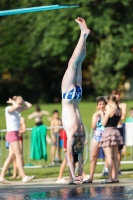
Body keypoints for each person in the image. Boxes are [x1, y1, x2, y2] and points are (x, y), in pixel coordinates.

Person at [61, 17, 90, 184]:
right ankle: (83, 34)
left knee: (79, 63)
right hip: (67, 97)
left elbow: (79, 156)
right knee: (72, 62)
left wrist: (78, 177)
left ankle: (83, 34)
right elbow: (70, 155)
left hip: (77, 96)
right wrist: (73, 177)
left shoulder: (82, 133)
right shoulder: (72, 133)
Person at [0, 96, 35, 184]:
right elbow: (15, 106)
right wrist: (13, 101)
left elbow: (29, 105)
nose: (20, 104)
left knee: (11, 157)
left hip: (15, 134)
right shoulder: (8, 108)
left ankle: (1, 176)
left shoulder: (17, 110)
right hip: (12, 134)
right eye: (19, 102)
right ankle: (23, 177)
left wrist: (22, 101)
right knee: (19, 156)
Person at [99, 94, 123, 183]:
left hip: (108, 132)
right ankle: (115, 177)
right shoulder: (119, 110)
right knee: (115, 156)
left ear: (109, 101)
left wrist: (102, 114)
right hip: (116, 131)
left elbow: (104, 123)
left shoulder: (110, 109)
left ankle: (109, 178)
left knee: (109, 156)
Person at [83, 97, 107, 183]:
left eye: (103, 104)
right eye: (100, 104)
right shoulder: (95, 114)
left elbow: (106, 123)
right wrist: (97, 117)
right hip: (97, 136)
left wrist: (103, 115)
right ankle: (91, 177)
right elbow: (93, 126)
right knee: (93, 157)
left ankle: (110, 176)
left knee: (108, 156)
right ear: (97, 106)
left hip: (106, 136)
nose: (101, 106)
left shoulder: (108, 113)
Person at [112, 89, 127, 174]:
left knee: (118, 150)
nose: (117, 96)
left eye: (118, 94)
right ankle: (108, 168)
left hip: (119, 127)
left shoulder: (123, 105)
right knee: (110, 150)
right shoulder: (109, 105)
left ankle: (118, 168)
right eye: (115, 94)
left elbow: (123, 117)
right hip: (111, 127)